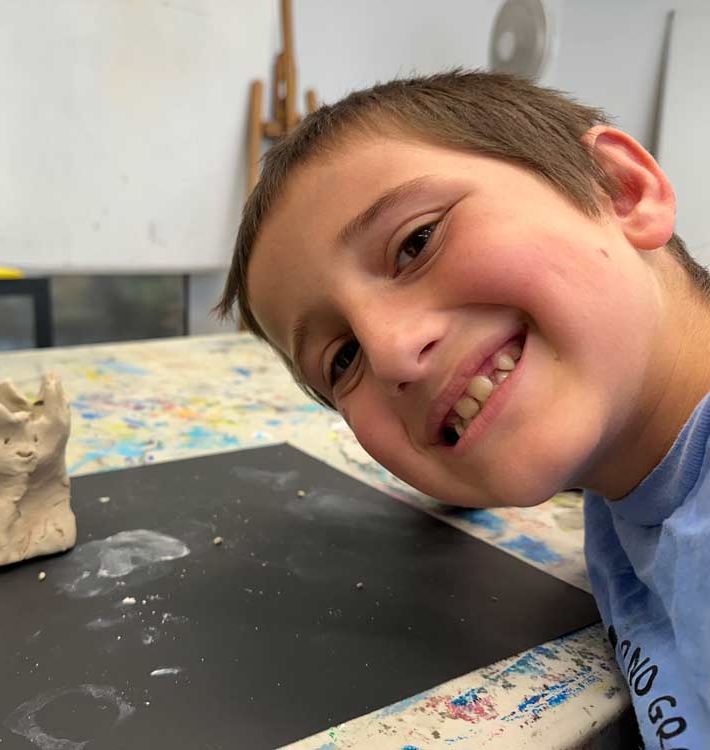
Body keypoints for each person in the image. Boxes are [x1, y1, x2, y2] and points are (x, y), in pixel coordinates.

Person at [216, 70, 710, 749]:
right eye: (342, 360)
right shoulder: (633, 456)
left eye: (416, 242)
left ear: (620, 187)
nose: (389, 353)